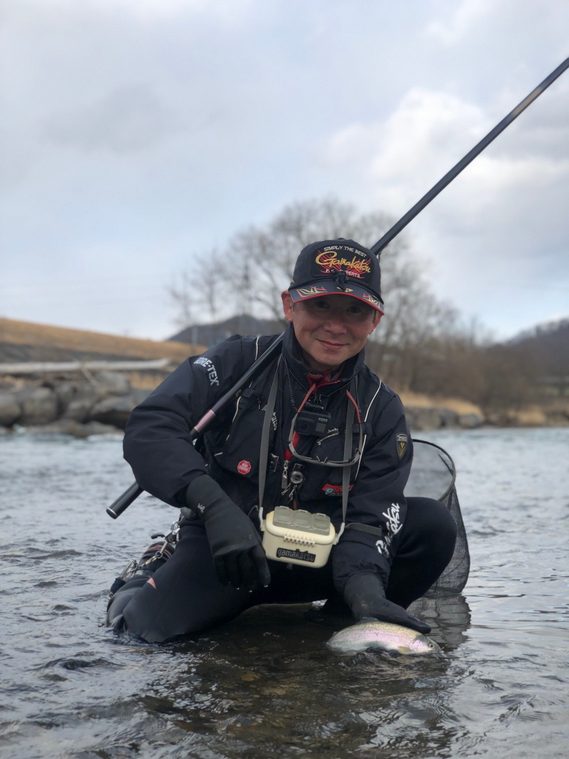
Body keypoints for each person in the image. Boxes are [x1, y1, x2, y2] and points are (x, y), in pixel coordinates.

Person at [107, 238, 458, 643]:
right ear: (289, 305)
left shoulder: (383, 407)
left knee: (432, 525)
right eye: (320, 305)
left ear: (374, 320)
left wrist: (364, 585)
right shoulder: (234, 363)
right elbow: (150, 428)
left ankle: (333, 630)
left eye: (355, 311)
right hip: (230, 553)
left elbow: (374, 514)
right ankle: (145, 574)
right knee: (135, 633)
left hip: (330, 562)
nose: (336, 325)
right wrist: (212, 505)